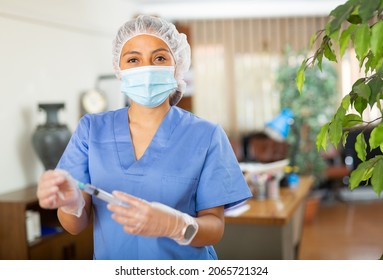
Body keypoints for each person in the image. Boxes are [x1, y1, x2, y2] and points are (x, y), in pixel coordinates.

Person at [36, 14, 252, 260]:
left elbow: (214, 228)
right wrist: (70, 204)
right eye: (133, 59)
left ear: (177, 65)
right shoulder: (91, 130)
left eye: (159, 58)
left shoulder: (207, 135)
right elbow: (75, 226)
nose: (146, 68)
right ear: (120, 68)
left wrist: (177, 225)